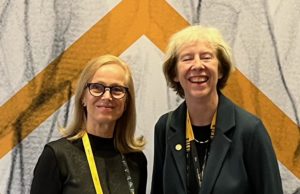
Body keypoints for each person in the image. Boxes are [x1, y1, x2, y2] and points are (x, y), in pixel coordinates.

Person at [150, 25, 283, 194]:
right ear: (174, 73)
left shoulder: (250, 130)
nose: (197, 65)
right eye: (187, 58)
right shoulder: (165, 127)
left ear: (220, 69)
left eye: (206, 57)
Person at [31, 54, 147, 194]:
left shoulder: (136, 161)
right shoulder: (57, 156)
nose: (107, 96)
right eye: (97, 87)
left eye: (117, 89)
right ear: (83, 97)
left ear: (127, 102)